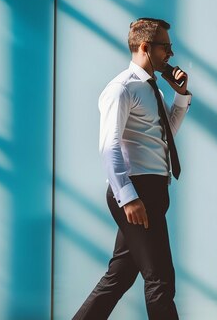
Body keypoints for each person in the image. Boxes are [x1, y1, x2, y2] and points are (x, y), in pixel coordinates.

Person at [74, 17, 191, 320]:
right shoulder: (121, 89)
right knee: (160, 279)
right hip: (137, 192)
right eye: (166, 47)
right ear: (144, 47)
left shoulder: (153, 90)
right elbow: (109, 146)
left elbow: (166, 133)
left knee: (120, 277)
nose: (171, 54)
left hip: (153, 189)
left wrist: (180, 94)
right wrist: (128, 197)